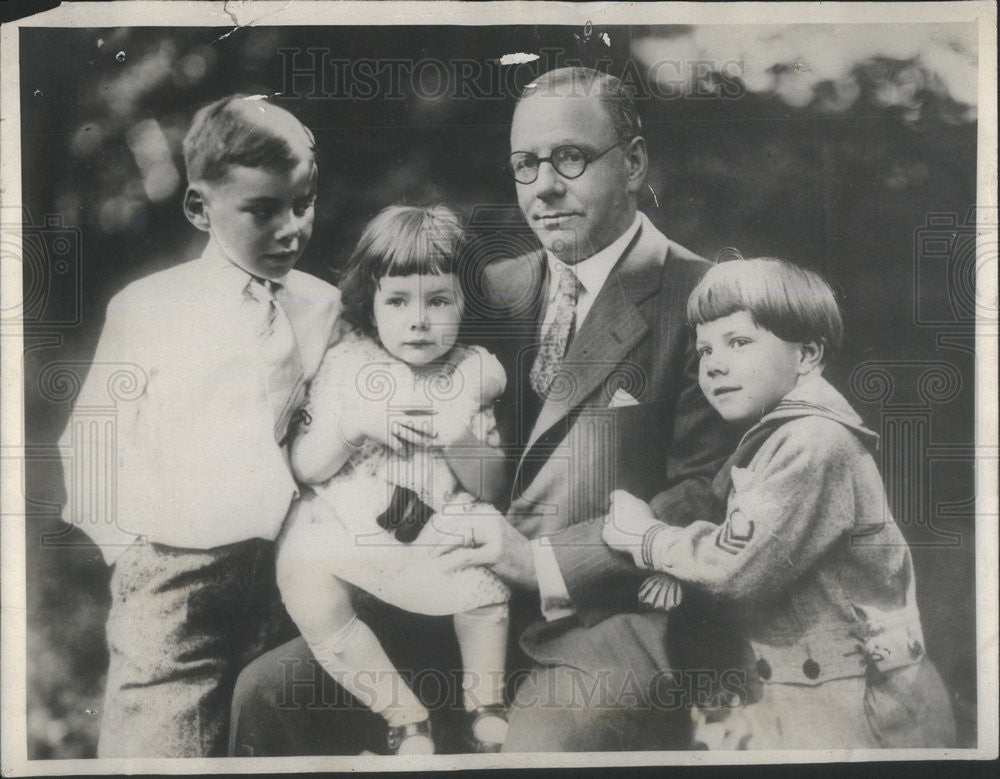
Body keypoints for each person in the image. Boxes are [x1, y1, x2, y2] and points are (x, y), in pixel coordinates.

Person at [429, 66, 739, 751]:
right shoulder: (492, 290)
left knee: (543, 751)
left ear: (632, 163)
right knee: (274, 693)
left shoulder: (706, 298)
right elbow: (498, 460)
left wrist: (542, 561)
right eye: (524, 165)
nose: (543, 186)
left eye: (570, 157)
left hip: (617, 623)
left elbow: (704, 491)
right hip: (467, 605)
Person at [57, 95, 341, 757]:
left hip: (281, 569)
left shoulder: (320, 305)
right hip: (172, 576)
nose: (291, 229)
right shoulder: (153, 306)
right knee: (160, 743)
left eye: (303, 203)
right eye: (263, 210)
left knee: (269, 730)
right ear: (199, 207)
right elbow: (92, 434)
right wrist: (122, 547)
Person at [602, 258, 957, 749]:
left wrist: (648, 539)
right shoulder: (777, 436)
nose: (713, 364)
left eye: (739, 342)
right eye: (704, 349)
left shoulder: (812, 442)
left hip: (858, 710)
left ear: (807, 354)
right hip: (808, 693)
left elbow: (734, 565)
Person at [273, 205, 512, 754]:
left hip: (434, 529)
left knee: (484, 560)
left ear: (464, 303)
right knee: (303, 573)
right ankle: (403, 715)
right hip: (354, 527)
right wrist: (355, 428)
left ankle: (486, 701)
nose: (419, 320)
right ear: (371, 303)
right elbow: (305, 466)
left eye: (438, 301)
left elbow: (492, 487)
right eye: (398, 301)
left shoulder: (469, 372)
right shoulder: (347, 364)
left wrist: (458, 436)